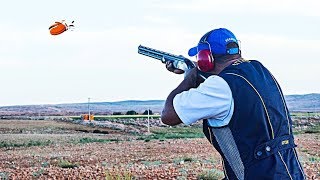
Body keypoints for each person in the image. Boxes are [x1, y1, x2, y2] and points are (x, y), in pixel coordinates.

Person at [161, 28, 306, 179]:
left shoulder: (220, 86)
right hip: (289, 171)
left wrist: (189, 78)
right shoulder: (261, 71)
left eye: (199, 57)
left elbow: (168, 115)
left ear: (206, 58)